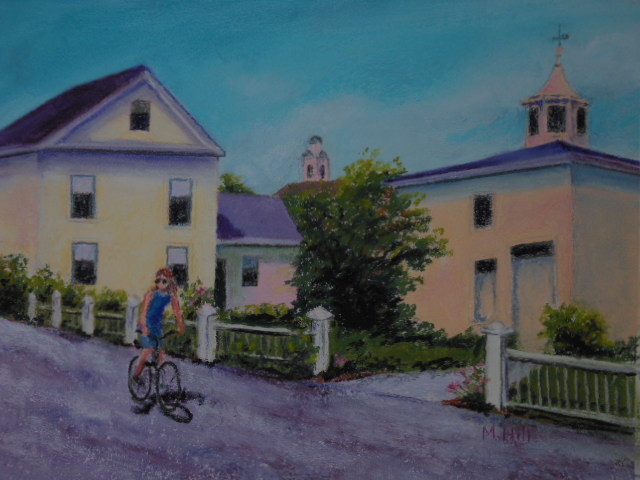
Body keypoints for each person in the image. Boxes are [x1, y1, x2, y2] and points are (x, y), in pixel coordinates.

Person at [133, 267, 185, 378]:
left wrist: (180, 326)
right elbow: (143, 314)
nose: (160, 283)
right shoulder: (151, 294)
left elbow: (177, 312)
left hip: (157, 326)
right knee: (147, 350)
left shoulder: (171, 296)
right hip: (146, 325)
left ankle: (157, 378)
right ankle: (136, 376)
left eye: (164, 281)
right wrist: (145, 328)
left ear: (170, 281)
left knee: (160, 354)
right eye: (158, 281)